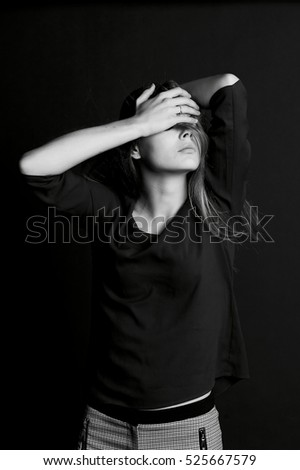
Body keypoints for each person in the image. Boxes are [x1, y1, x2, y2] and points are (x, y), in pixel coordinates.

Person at [19, 73, 253, 450]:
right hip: (102, 426)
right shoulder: (108, 211)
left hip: (183, 431)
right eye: (169, 125)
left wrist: (170, 99)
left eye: (189, 126)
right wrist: (140, 122)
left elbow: (229, 85)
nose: (185, 133)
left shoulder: (216, 209)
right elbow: (34, 167)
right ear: (135, 147)